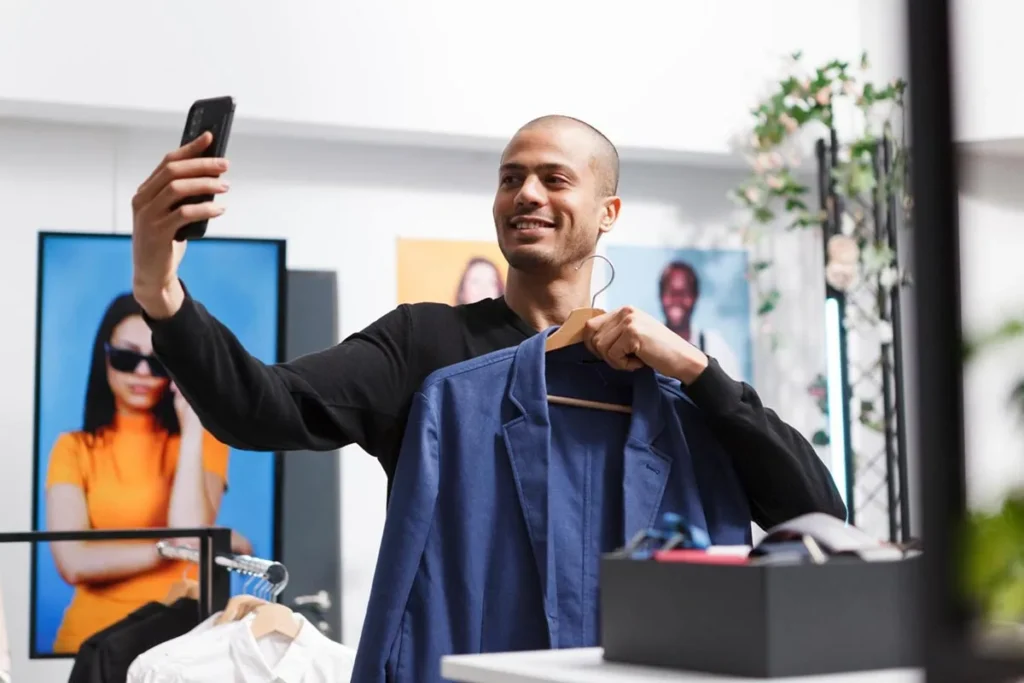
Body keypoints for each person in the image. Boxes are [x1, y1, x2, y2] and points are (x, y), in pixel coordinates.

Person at [129, 115, 844, 544]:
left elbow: (817, 512)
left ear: (608, 212)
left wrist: (697, 372)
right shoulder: (426, 347)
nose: (526, 193)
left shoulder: (662, 369)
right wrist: (160, 290)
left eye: (554, 179)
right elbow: (260, 407)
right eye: (510, 178)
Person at [44, 293, 252, 654]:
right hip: (89, 642)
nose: (142, 373)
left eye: (157, 362)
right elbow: (74, 563)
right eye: (126, 357)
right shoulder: (73, 448)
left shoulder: (205, 442)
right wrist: (169, 549)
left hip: (182, 645)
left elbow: (190, 530)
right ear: (104, 357)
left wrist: (192, 427)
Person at [658, 260, 742, 380]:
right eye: (670, 292)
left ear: (695, 296)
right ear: (661, 296)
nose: (676, 299)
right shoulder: (643, 347)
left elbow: (736, 396)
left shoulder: (715, 347)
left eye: (683, 293)